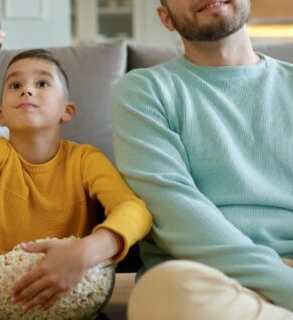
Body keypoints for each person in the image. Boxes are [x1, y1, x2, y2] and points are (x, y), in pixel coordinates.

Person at [0, 0, 152, 318]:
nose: (27, 91)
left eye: (43, 83)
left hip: (69, 285)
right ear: (0, 115)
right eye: (15, 84)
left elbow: (134, 209)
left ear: (67, 111)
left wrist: (89, 249)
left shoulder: (85, 160)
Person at [111, 0, 293, 319]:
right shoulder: (144, 90)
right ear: (166, 18)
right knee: (164, 290)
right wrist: (285, 285)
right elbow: (174, 209)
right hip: (210, 278)